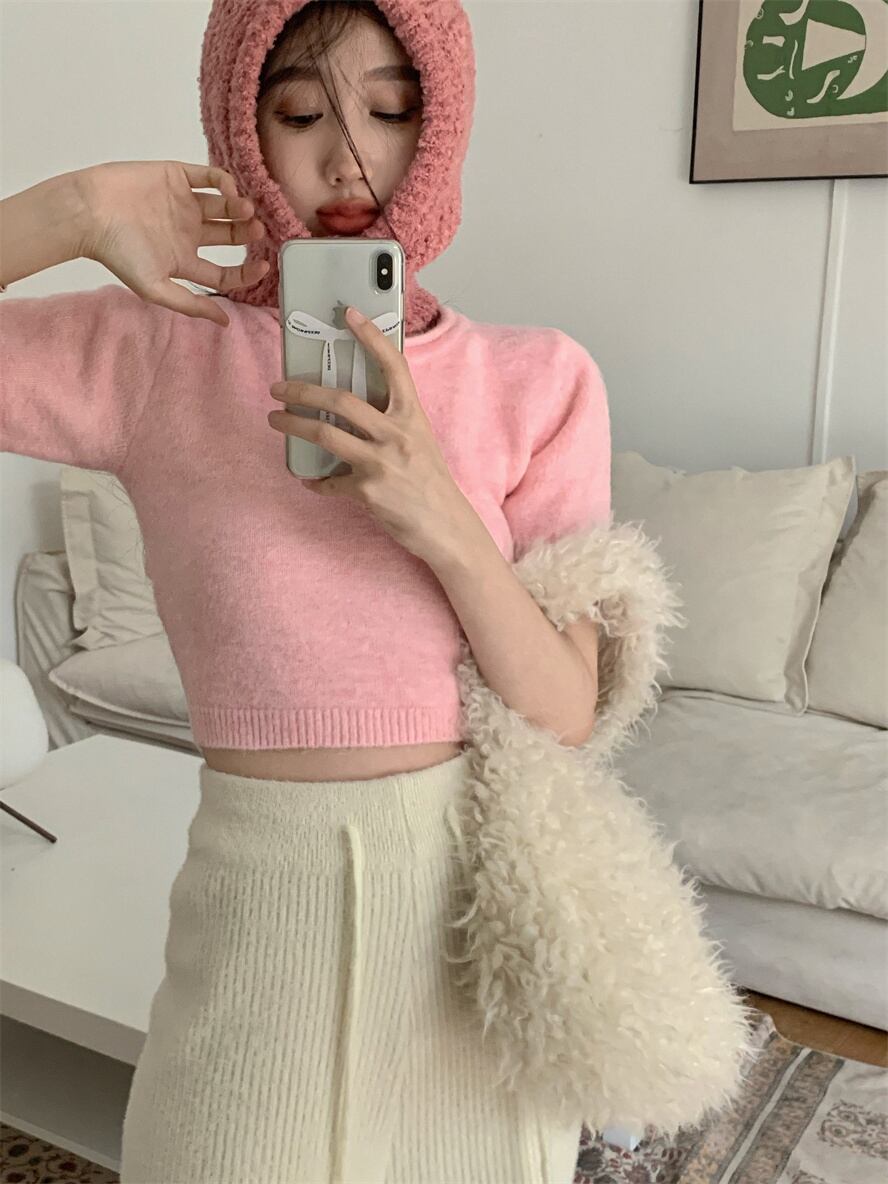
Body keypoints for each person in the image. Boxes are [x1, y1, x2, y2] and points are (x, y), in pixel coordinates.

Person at [0, 1, 611, 1180]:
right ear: (239, 126)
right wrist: (71, 210)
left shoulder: (538, 379)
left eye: (390, 110)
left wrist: (437, 513)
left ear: (442, 126)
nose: (347, 159)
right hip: (251, 956)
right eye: (296, 114)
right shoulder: (158, 347)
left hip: (469, 969)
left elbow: (564, 711)